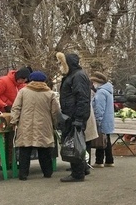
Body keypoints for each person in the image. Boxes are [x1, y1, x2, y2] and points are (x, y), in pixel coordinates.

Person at [10, 70, 60, 180]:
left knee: (25, 150)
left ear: (30, 80)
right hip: (44, 125)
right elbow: (55, 111)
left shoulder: (23, 92)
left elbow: (16, 107)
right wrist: (55, 124)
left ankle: (23, 174)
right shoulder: (50, 93)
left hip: (26, 125)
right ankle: (47, 172)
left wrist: (14, 121)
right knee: (44, 149)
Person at [56, 52, 92, 182]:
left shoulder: (77, 76)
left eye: (61, 63)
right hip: (71, 115)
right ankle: (82, 168)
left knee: (73, 144)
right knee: (76, 142)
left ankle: (77, 173)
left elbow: (82, 98)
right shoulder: (74, 75)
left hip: (74, 116)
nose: (60, 65)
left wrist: (79, 118)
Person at [0, 66, 31, 170]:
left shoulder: (19, 84)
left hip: (10, 113)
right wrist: (4, 105)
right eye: (23, 80)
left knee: (11, 138)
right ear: (19, 77)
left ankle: (10, 162)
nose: (24, 82)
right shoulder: (3, 81)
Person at [90, 72, 115, 168]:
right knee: (106, 140)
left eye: (93, 82)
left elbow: (99, 108)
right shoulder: (108, 91)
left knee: (100, 140)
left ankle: (99, 160)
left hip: (103, 120)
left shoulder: (101, 93)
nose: (92, 84)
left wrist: (97, 120)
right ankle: (109, 160)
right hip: (108, 119)